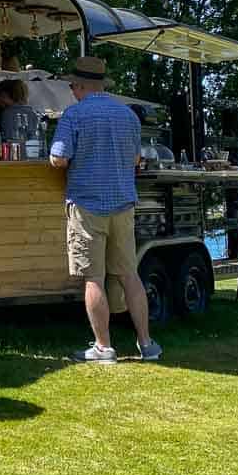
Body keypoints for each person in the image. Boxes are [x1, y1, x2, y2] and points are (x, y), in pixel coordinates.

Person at [48, 56, 159, 363]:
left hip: (87, 206)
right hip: (123, 204)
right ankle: (147, 344)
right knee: (129, 275)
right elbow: (137, 161)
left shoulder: (73, 115)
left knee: (94, 278)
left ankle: (103, 347)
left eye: (72, 85)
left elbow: (59, 159)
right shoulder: (128, 116)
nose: (71, 90)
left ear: (82, 86)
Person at [0, 78, 43, 145]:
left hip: (16, 150)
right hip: (33, 150)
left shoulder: (8, 113)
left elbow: (9, 138)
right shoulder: (33, 112)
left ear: (4, 95)